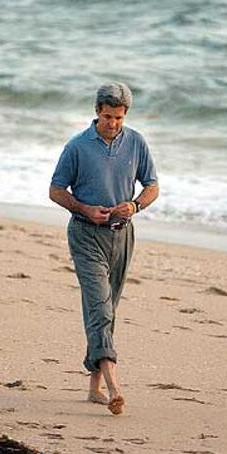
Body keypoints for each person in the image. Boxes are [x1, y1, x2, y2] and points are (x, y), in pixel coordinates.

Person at [49, 82, 159, 415]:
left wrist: (136, 206)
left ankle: (93, 388)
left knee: (108, 310)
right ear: (97, 112)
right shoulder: (78, 146)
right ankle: (113, 387)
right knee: (100, 309)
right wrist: (83, 209)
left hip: (123, 236)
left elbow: (152, 185)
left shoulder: (136, 142)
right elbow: (55, 190)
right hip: (85, 235)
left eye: (119, 118)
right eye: (108, 116)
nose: (113, 123)